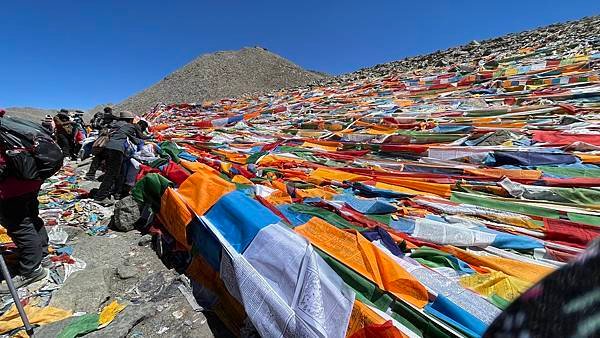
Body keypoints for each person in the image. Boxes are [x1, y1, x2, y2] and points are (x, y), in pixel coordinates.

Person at [0, 109, 49, 293]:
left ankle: (31, 270)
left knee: (19, 225)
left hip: (11, 187)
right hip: (31, 180)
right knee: (31, 217)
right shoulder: (10, 124)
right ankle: (42, 255)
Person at [94, 111, 144, 205]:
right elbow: (138, 138)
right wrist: (146, 139)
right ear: (130, 119)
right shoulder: (130, 126)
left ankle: (106, 192)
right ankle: (100, 197)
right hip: (116, 150)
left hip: (106, 148)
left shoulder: (114, 124)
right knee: (112, 174)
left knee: (110, 172)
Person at [85, 107, 117, 180]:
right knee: (107, 156)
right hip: (107, 138)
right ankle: (106, 176)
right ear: (110, 111)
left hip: (101, 136)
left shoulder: (100, 117)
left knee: (99, 156)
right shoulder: (109, 116)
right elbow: (118, 119)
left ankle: (90, 174)